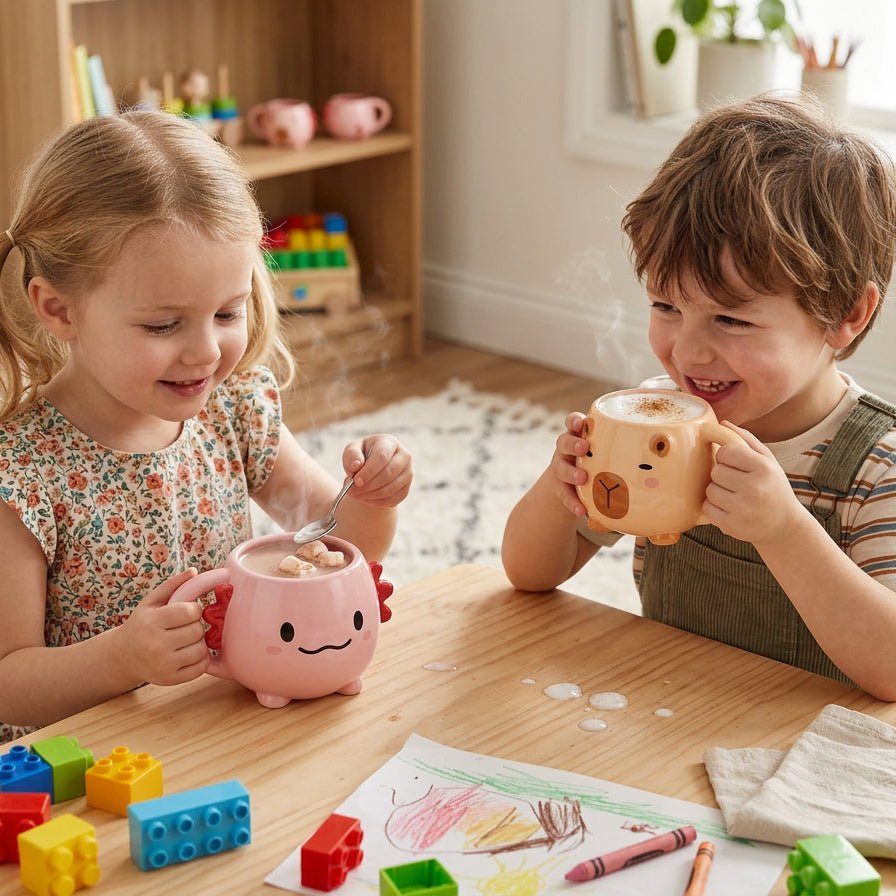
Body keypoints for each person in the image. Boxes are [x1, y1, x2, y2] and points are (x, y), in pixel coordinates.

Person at [0, 112, 413, 742]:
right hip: (92, 761)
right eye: (164, 325)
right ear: (58, 309)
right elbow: (9, 681)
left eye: (226, 311)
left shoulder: (233, 408)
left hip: (227, 727)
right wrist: (122, 659)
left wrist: (374, 495)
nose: (206, 354)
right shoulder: (22, 475)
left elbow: (343, 545)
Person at [502, 95, 896, 700]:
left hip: (810, 759)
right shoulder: (655, 418)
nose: (688, 353)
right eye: (666, 306)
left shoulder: (878, 467)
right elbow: (529, 575)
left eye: (731, 320)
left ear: (846, 315)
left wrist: (783, 529)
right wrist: (561, 494)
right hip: (666, 715)